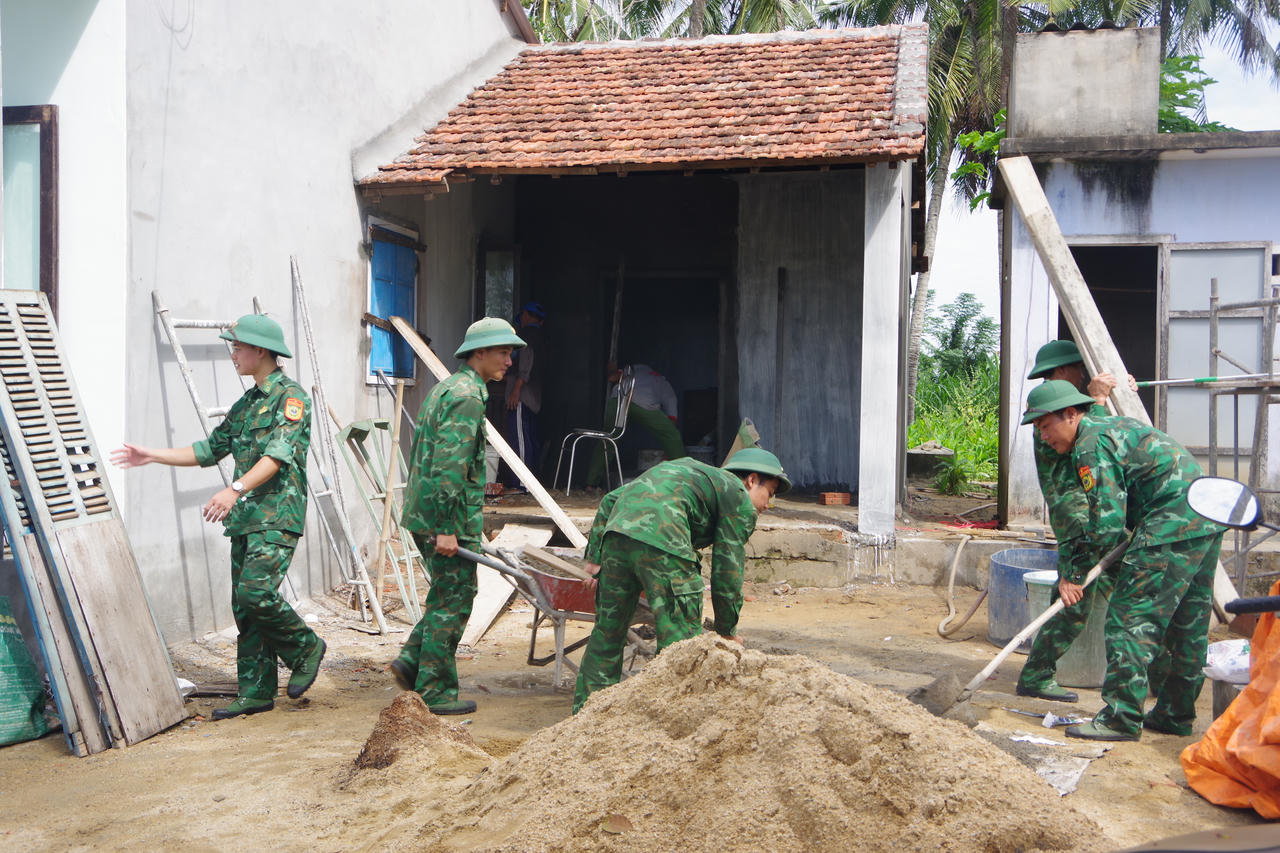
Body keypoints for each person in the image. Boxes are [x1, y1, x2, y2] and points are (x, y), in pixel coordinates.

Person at [110, 314, 324, 720]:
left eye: (238, 347)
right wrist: (152, 455)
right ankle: (257, 691)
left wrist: (234, 489)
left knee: (255, 593)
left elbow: (276, 458)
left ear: (261, 351)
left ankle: (306, 647)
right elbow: (209, 451)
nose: (233, 354)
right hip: (247, 519)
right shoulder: (247, 403)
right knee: (243, 607)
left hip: (278, 514)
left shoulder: (290, 398)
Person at [1021, 380, 1225, 741]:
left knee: (1130, 618)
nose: (1043, 436)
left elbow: (1106, 524)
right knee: (1187, 622)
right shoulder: (1108, 428)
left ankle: (1120, 718)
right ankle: (1175, 713)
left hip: (1170, 520)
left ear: (1071, 415)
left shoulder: (1089, 445)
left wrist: (1073, 573)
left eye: (1045, 425)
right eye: (1037, 428)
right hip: (1206, 511)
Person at [572, 448, 791, 713]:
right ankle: (667, 718)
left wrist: (595, 557)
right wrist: (726, 631)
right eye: (770, 494)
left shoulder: (693, 474)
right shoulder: (737, 495)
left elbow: (610, 499)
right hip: (666, 541)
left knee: (608, 632)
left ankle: (587, 715)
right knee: (681, 642)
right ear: (752, 480)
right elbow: (727, 571)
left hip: (617, 538)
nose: (768, 504)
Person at [389, 317, 525, 715]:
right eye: (503, 352)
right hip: (443, 519)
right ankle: (435, 692)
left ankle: (413, 660)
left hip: (426, 512)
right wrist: (447, 529)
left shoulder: (450, 388)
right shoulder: (467, 396)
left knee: (448, 596)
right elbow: (450, 466)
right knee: (455, 600)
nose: (510, 361)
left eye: (511, 352)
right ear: (478, 353)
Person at [1016, 339, 1119, 703]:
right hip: (1079, 518)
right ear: (1063, 371)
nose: (1083, 374)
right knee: (1074, 601)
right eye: (1078, 368)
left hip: (1091, 512)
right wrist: (1101, 401)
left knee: (1117, 595)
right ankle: (1037, 673)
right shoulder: (1050, 410)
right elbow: (1101, 438)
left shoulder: (1069, 405)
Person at [585, 362, 686, 488]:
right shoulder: (665, 386)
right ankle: (683, 480)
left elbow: (612, 377)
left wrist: (610, 367)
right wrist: (669, 451)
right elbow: (671, 422)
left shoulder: (637, 369)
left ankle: (590, 484)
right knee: (673, 436)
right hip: (645, 403)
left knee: (608, 440)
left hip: (618, 399)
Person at [503, 301, 546, 487]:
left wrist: (516, 389)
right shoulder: (542, 336)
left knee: (519, 438)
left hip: (522, 396)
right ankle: (528, 482)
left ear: (527, 316)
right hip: (533, 396)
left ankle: (522, 484)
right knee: (528, 438)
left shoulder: (527, 335)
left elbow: (526, 361)